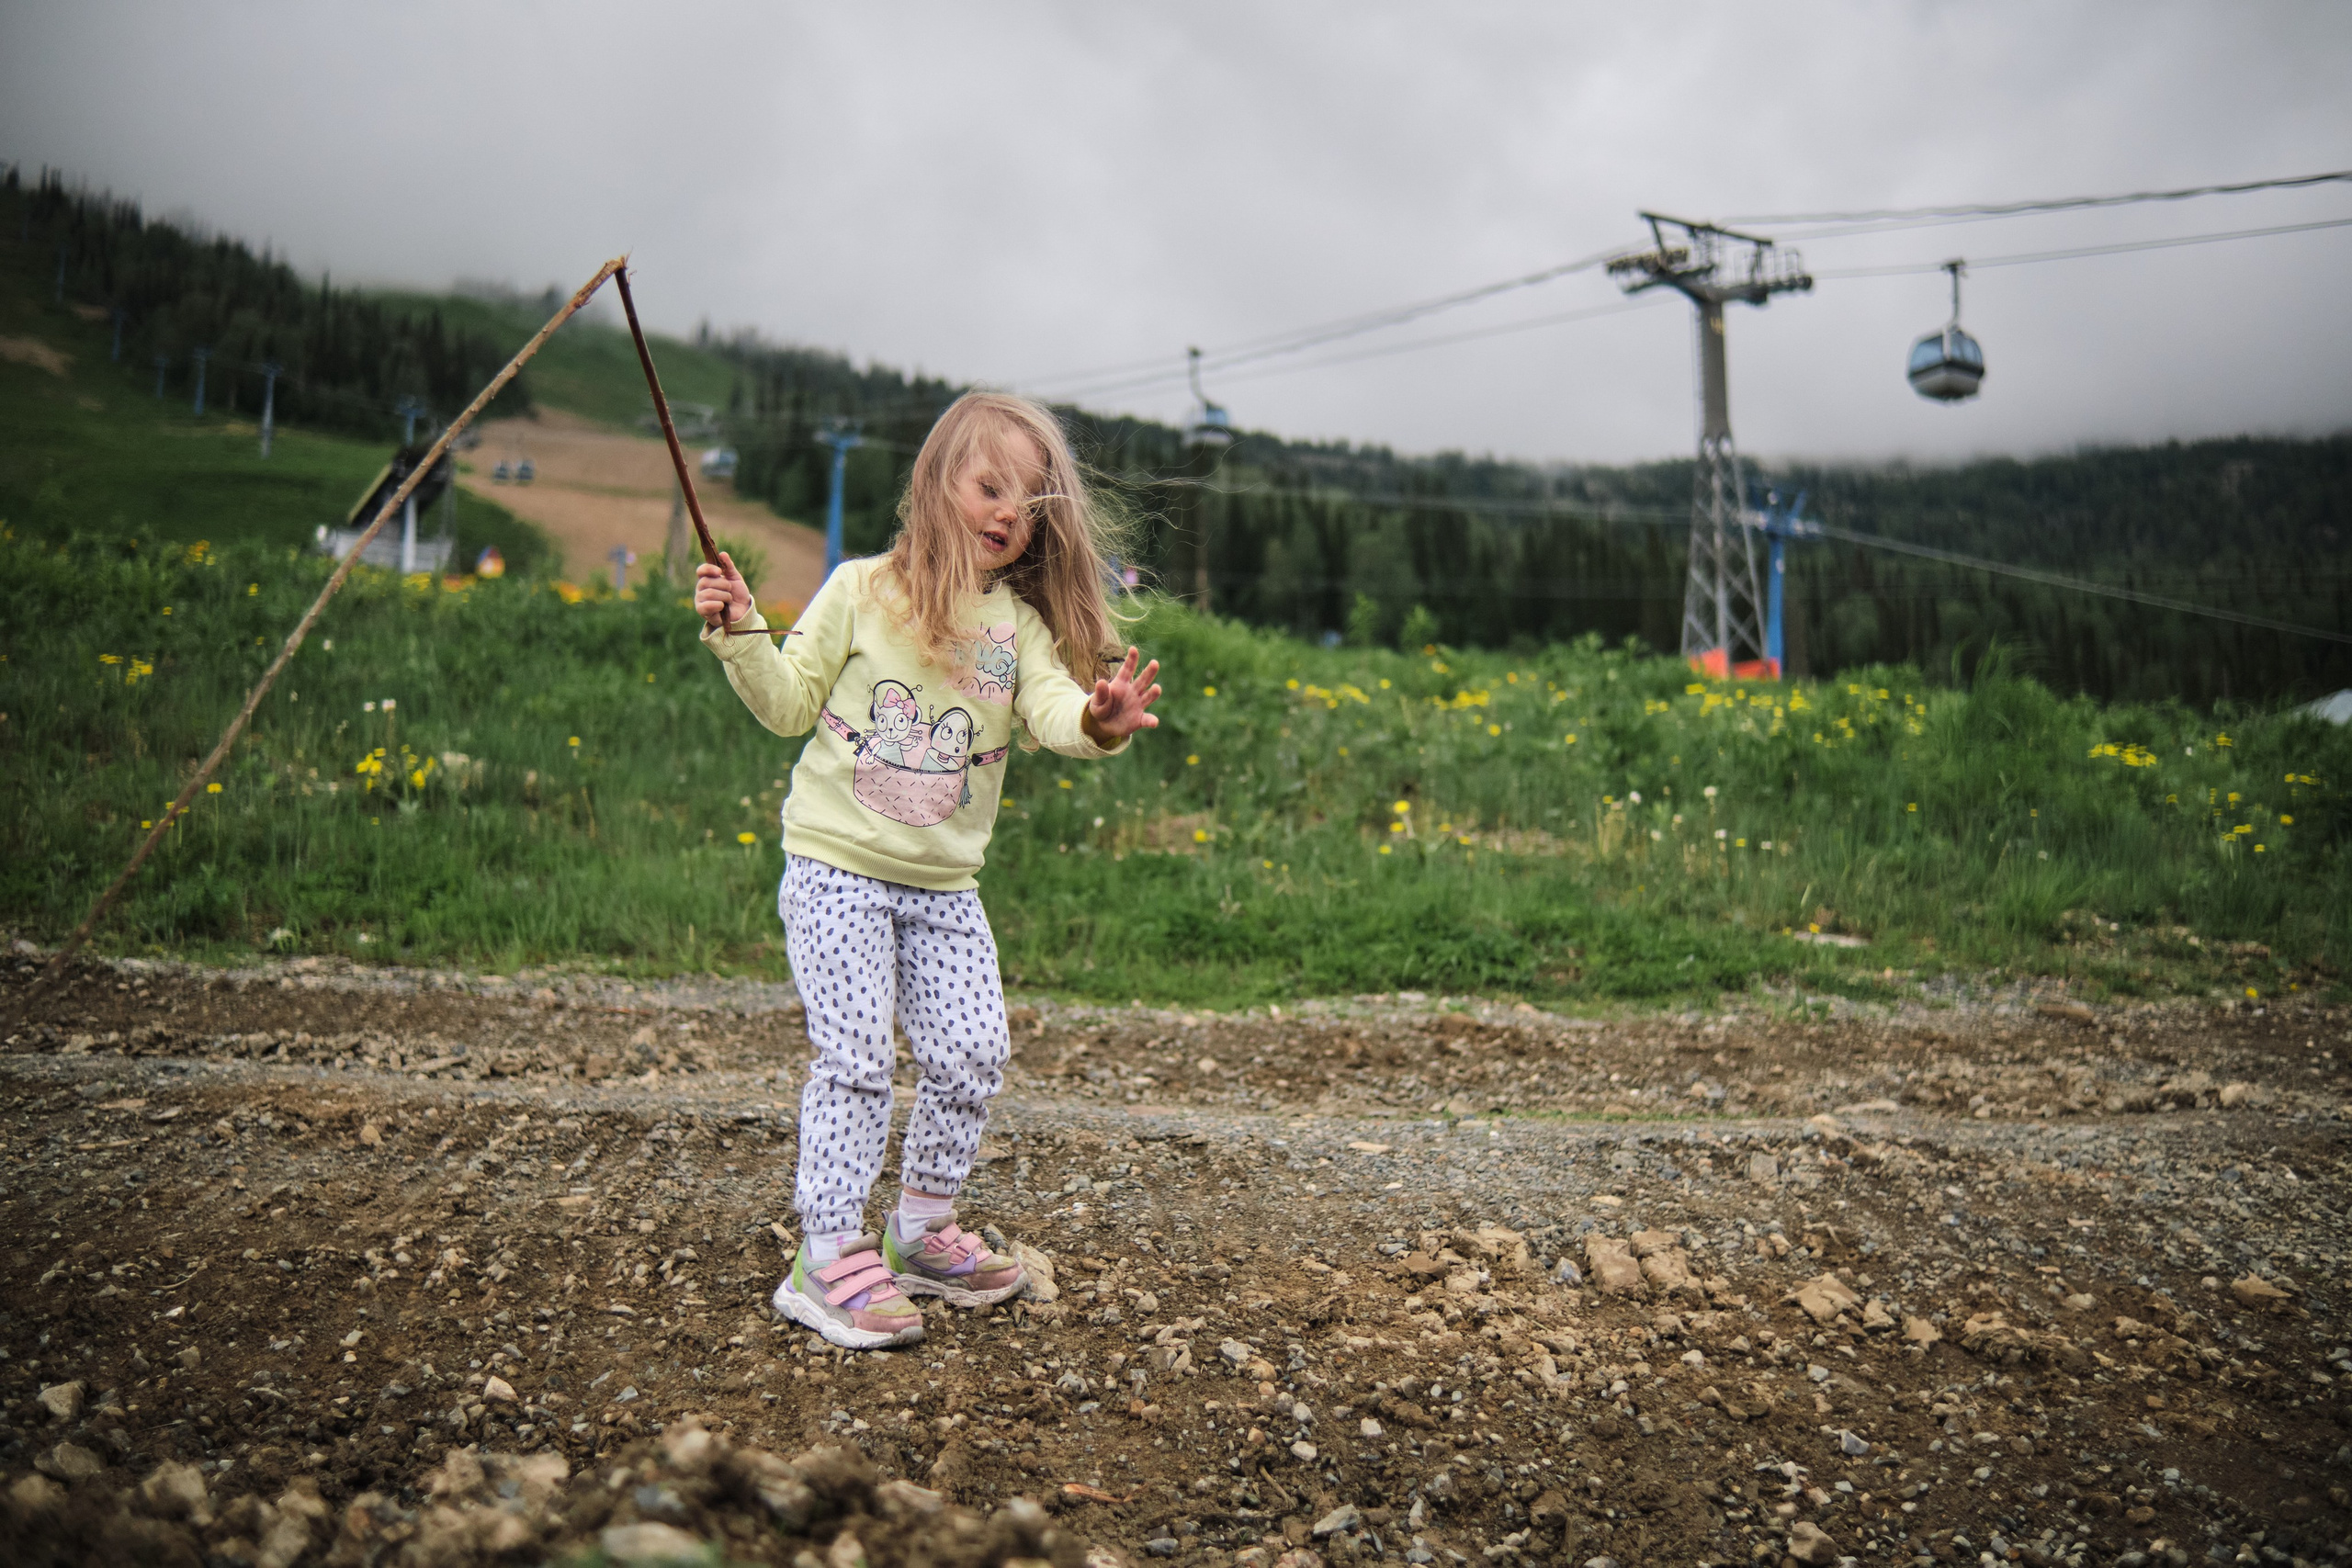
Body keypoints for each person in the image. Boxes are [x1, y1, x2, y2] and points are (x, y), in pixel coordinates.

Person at [694, 391, 1162, 1350]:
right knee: (858, 1058)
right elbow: (786, 707)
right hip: (836, 867)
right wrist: (742, 631)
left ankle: (918, 1233)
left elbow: (1050, 712)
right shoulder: (860, 591)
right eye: (990, 487)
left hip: (944, 886)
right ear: (935, 483)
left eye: (1028, 504)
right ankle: (826, 1258)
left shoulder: (1015, 629)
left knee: (972, 1053)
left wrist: (1098, 723)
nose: (1006, 513)